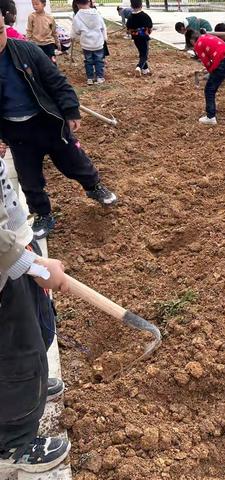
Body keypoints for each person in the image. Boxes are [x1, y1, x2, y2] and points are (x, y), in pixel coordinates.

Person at [0, 18, 117, 240]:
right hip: (16, 132)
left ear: (4, 24)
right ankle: (42, 213)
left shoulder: (27, 51)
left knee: (74, 160)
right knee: (29, 178)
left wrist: (71, 110)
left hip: (46, 121)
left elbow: (57, 81)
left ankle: (94, 186)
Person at [0, 142, 71, 473]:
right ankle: (11, 443)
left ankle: (35, 387)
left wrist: (26, 247)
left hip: (13, 255)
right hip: (5, 269)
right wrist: (29, 264)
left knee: (39, 329)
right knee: (15, 358)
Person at [186, 29, 225, 125]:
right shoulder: (208, 36)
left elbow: (207, 63)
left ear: (191, 40)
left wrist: (212, 73)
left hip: (222, 61)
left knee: (209, 89)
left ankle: (210, 116)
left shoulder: (198, 44)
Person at [71, 0, 107, 85]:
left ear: (77, 4)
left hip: (86, 44)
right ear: (89, 2)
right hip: (98, 42)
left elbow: (76, 30)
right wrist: (105, 38)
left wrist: (73, 36)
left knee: (88, 61)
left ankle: (90, 78)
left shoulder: (77, 16)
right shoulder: (97, 14)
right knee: (99, 60)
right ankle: (100, 77)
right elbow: (103, 26)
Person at [126, 0, 152, 75]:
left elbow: (128, 28)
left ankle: (145, 70)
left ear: (131, 6)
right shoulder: (145, 16)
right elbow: (150, 26)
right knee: (145, 55)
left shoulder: (130, 17)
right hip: (144, 37)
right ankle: (139, 67)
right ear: (141, 5)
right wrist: (147, 32)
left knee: (141, 53)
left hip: (135, 38)